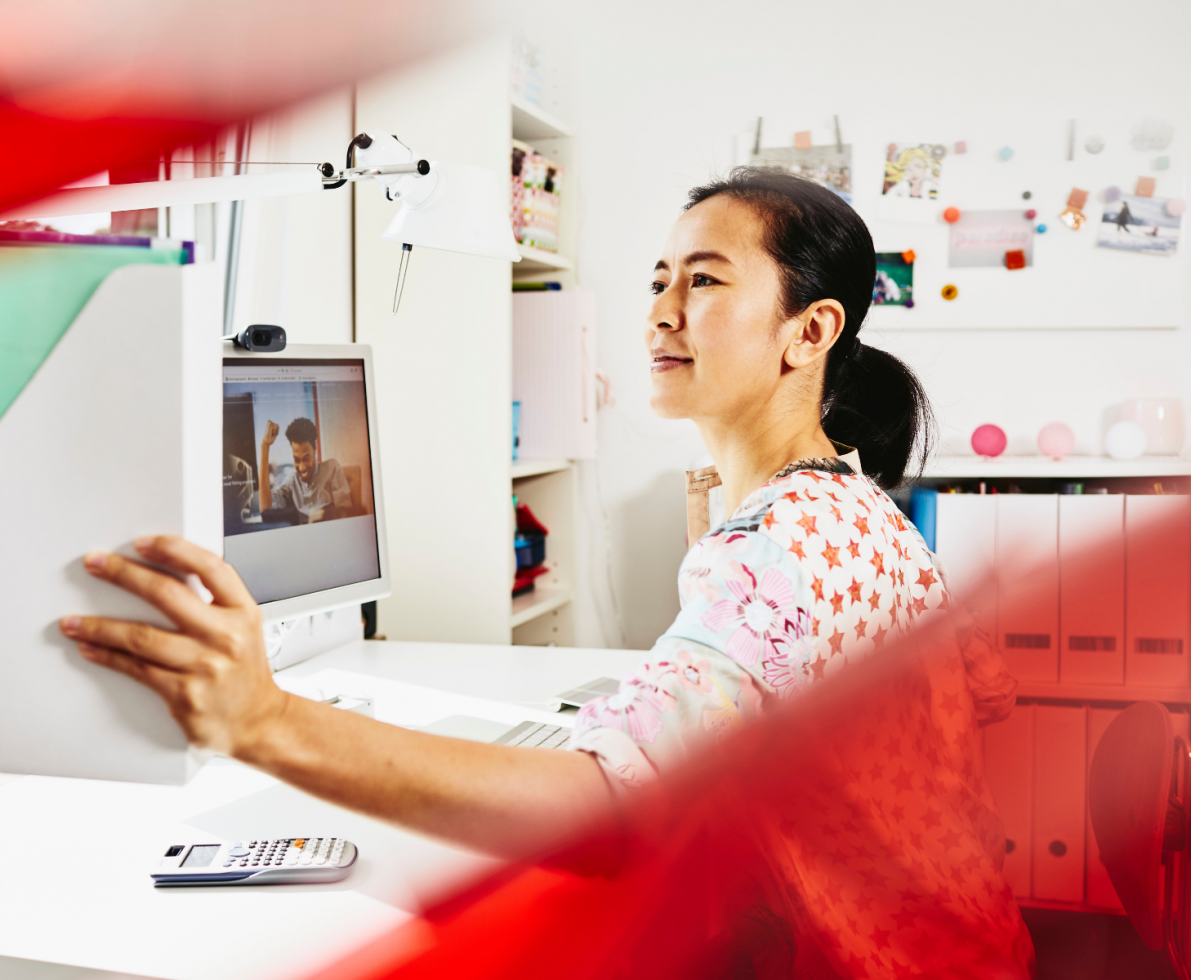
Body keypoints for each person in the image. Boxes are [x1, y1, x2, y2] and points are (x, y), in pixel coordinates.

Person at [59, 168, 1030, 976]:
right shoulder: (862, 509)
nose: (660, 311)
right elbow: (963, 700)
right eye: (658, 279)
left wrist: (263, 718)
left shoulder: (779, 540)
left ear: (809, 331)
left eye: (702, 281)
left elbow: (611, 812)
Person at [259, 416, 352, 523]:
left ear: (315, 450)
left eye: (306, 459)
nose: (302, 467)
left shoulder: (332, 468)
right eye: (297, 460)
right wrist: (265, 446)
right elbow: (266, 509)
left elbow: (346, 514)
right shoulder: (292, 480)